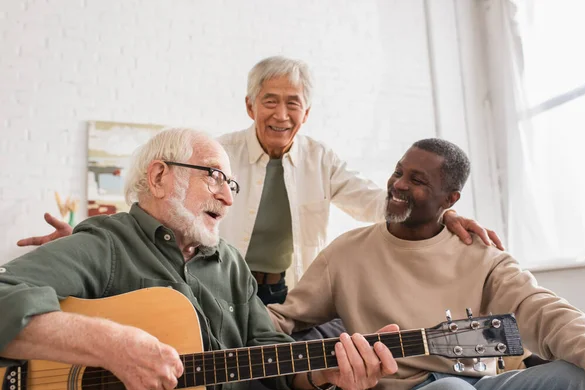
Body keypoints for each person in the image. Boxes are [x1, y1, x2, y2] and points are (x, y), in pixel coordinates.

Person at [17, 57, 503, 307]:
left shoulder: (322, 159)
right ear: (251, 106)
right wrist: (95, 240)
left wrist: (443, 214)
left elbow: (378, 203)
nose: (281, 112)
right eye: (270, 100)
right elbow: (169, 206)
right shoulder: (218, 155)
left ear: (306, 113)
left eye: (293, 102)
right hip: (222, 282)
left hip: (291, 290)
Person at [0, 128, 400, 390]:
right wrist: (111, 345)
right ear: (158, 177)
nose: (228, 198)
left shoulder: (230, 263)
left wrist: (322, 373)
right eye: (214, 176)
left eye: (232, 184)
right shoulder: (107, 244)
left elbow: (271, 353)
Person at [268, 138, 585, 390]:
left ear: (450, 199)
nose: (398, 184)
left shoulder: (482, 255)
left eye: (417, 180)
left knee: (581, 379)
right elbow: (284, 318)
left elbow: (541, 310)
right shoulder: (344, 253)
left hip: (479, 388)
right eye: (398, 172)